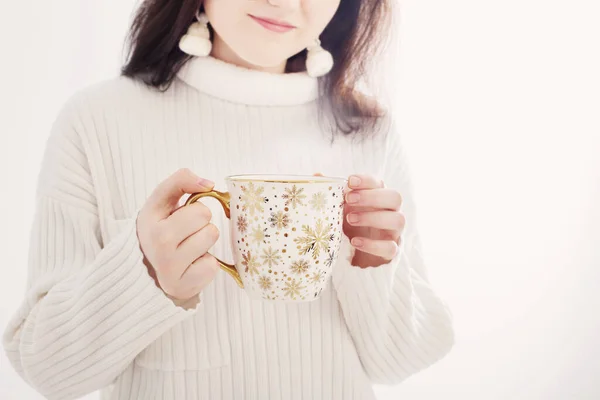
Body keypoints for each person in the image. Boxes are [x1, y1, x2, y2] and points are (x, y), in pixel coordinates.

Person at [3, 1, 454, 399]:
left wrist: (372, 269)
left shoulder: (369, 132)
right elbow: (46, 369)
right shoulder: (97, 122)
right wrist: (143, 273)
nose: (282, 2)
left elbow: (403, 361)